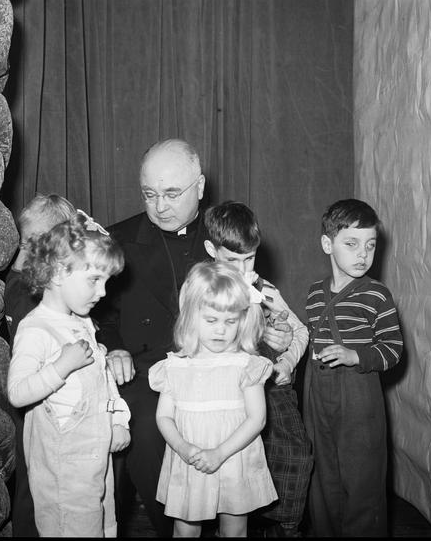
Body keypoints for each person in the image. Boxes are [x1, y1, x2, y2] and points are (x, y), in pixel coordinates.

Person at [93, 139, 293, 537]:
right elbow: (102, 313)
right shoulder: (117, 240)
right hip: (149, 372)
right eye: (149, 194)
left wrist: (275, 337)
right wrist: (115, 348)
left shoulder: (225, 238)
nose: (159, 206)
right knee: (148, 432)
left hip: (219, 367)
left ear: (199, 186)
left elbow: (254, 309)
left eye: (171, 194)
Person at [7, 212, 132, 537]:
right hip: (63, 466)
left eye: (106, 281)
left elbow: (102, 375)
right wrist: (60, 366)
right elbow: (17, 392)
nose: (103, 292)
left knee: (101, 524)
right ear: (61, 272)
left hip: (95, 456)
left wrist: (117, 417)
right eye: (94, 280)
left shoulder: (82, 322)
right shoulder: (36, 328)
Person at [202, 201, 313, 537]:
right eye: (231, 260)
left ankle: (283, 528)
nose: (241, 269)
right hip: (218, 393)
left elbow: (301, 332)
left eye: (249, 258)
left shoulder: (264, 290)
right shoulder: (202, 288)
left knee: (295, 454)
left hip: (263, 385)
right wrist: (259, 332)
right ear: (211, 250)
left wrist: (286, 360)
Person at [149, 261, 278, 537]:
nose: (221, 330)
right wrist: (183, 448)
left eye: (230, 321)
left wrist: (220, 453)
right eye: (211, 320)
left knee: (234, 529)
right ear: (190, 316)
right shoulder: (175, 366)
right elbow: (164, 416)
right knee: (185, 529)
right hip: (190, 458)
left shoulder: (246, 365)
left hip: (233, 456)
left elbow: (257, 418)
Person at [303, 198, 403, 537]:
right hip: (317, 397)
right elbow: (310, 342)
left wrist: (356, 356)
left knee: (362, 481)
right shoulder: (314, 294)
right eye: (352, 243)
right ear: (327, 244)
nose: (363, 254)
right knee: (323, 479)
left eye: (370, 245)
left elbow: (393, 350)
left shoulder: (377, 295)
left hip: (359, 399)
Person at [3, 193, 76, 537]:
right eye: (23, 242)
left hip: (57, 397)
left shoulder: (60, 289)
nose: (23, 253)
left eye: (34, 243)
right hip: (28, 399)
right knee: (31, 484)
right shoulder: (20, 285)